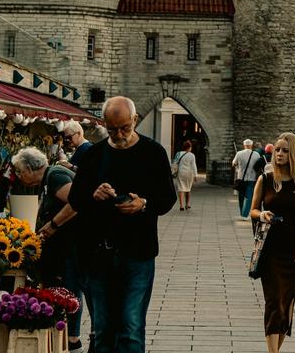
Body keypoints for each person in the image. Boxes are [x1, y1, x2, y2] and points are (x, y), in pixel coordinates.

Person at [68, 96, 176, 353]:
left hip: (138, 252)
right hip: (99, 253)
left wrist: (144, 203)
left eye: (124, 128)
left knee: (131, 326)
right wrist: (94, 194)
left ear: (135, 120)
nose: (118, 134)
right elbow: (75, 199)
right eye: (112, 129)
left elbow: (167, 198)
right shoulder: (94, 155)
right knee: (103, 328)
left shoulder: (153, 152)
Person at [14, 146, 86, 351]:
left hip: (71, 246)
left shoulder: (55, 175)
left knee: (69, 290)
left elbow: (76, 202)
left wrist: (53, 225)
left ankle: (73, 340)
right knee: (65, 289)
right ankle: (65, 339)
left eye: (20, 171)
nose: (19, 176)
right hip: (64, 247)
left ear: (30, 168)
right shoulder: (49, 178)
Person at [251, 133, 295, 353]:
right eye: (277, 150)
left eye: (285, 150)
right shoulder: (265, 179)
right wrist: (261, 214)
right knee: (273, 301)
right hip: (269, 247)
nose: (279, 154)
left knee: (286, 302)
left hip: (292, 248)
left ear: (294, 154)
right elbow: (253, 210)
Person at [233, 139, 264, 219]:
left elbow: (234, 163)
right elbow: (258, 165)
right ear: (251, 145)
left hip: (241, 178)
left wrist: (238, 166)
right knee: (249, 197)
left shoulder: (239, 153)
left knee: (241, 197)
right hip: (252, 178)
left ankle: (242, 213)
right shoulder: (256, 154)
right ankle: (245, 214)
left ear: (244, 145)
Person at [172, 140, 197, 211]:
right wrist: (195, 175)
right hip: (189, 174)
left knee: (181, 188)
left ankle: (181, 205)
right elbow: (193, 165)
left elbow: (174, 163)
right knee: (188, 189)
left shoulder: (178, 154)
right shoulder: (192, 155)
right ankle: (187, 204)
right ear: (189, 147)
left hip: (181, 173)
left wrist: (173, 171)